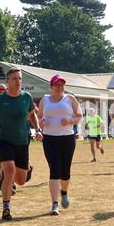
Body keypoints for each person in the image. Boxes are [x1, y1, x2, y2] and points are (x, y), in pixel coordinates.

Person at [0, 67, 43, 221]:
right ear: (7, 82)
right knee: (8, 172)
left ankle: (28, 168)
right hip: (5, 141)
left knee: (21, 180)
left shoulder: (26, 97)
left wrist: (38, 129)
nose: (18, 81)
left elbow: (32, 114)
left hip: (22, 141)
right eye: (14, 78)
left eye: (20, 78)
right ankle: (6, 208)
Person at [38, 75, 82, 216]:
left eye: (62, 84)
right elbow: (39, 116)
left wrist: (69, 121)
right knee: (54, 169)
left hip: (67, 139)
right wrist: (41, 122)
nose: (60, 87)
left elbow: (79, 116)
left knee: (65, 171)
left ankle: (64, 192)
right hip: (50, 139)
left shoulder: (70, 99)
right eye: (57, 84)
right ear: (51, 86)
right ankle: (54, 204)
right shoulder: (44, 100)